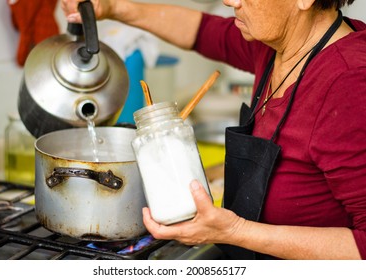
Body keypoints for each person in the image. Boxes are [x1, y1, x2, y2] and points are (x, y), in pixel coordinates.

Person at [61, 0, 366, 260]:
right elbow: (204, 31)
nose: (229, 1)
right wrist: (111, 6)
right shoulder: (279, 44)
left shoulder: (350, 83)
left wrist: (235, 232)